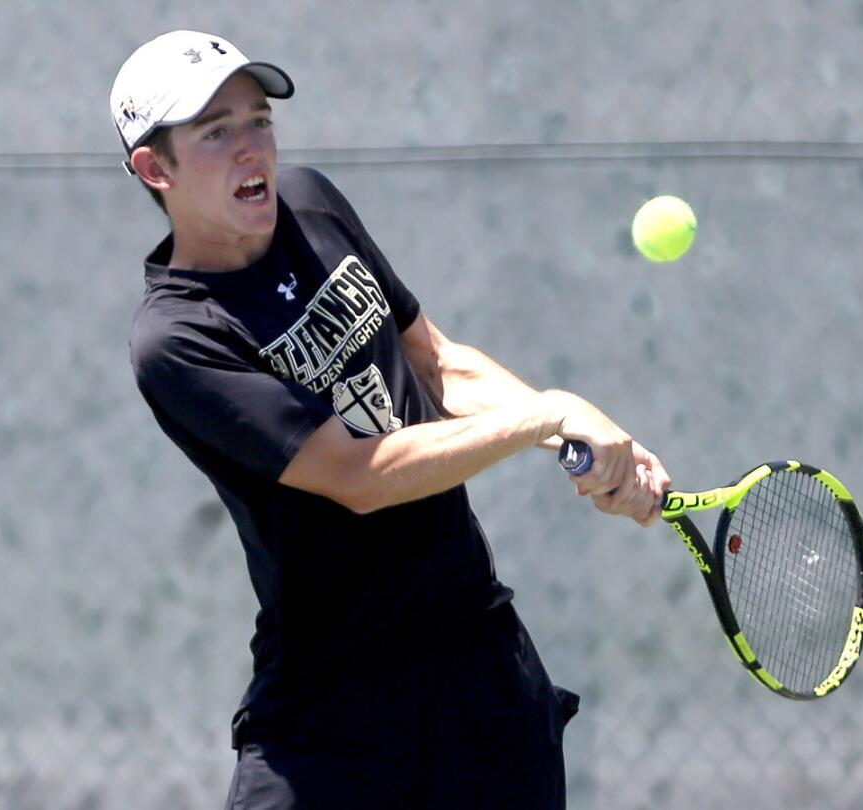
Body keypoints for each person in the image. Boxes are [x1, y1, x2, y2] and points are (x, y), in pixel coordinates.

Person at [110, 30, 671, 810]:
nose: (252, 149)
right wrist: (550, 411)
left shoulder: (310, 202)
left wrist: (575, 439)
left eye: (259, 120)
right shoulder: (177, 339)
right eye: (216, 133)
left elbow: (437, 362)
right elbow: (358, 476)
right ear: (153, 169)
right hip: (330, 709)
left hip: (480, 667)